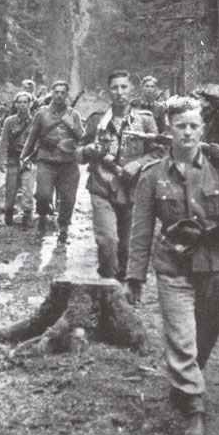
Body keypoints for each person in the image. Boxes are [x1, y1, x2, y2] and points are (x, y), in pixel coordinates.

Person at [125, 96, 219, 435]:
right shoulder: (151, 176)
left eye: (194, 125)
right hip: (172, 265)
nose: (188, 132)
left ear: (203, 128)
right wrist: (134, 277)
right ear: (169, 129)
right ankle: (194, 407)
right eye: (181, 126)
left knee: (208, 333)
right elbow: (141, 230)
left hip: (213, 263)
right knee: (182, 336)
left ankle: (186, 379)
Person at [76, 69, 161, 280]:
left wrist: (138, 164)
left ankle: (119, 292)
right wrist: (89, 151)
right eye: (114, 87)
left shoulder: (145, 120)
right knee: (107, 242)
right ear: (108, 91)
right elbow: (78, 153)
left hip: (133, 190)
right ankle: (105, 287)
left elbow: (159, 152)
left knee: (127, 247)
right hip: (102, 187)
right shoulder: (97, 120)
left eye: (124, 87)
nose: (119, 92)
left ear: (132, 89)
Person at [20, 80, 83, 242]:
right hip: (46, 160)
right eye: (57, 92)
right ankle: (42, 217)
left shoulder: (74, 114)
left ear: (67, 95)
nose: (60, 95)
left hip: (68, 162)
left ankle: (63, 228)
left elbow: (82, 138)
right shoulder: (42, 113)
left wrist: (73, 127)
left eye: (63, 92)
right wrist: (23, 156)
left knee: (68, 198)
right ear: (52, 93)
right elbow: (32, 136)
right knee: (43, 195)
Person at [0, 91, 36, 229]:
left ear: (30, 104)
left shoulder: (35, 121)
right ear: (15, 104)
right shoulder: (9, 121)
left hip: (28, 160)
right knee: (11, 188)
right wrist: (1, 159)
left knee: (28, 189)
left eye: (25, 102)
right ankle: (8, 211)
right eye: (19, 102)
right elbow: (4, 141)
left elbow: (38, 142)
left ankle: (27, 214)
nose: (22, 105)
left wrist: (34, 157)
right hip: (13, 159)